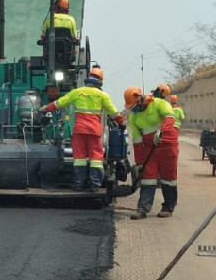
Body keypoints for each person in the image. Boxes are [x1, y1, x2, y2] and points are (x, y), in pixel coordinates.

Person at [40, 67, 123, 192]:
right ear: (100, 80)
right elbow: (114, 112)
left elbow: (59, 103)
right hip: (94, 131)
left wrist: (46, 108)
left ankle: (78, 184)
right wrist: (122, 123)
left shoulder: (77, 92)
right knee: (96, 159)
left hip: (79, 131)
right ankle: (94, 185)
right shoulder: (102, 95)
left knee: (79, 159)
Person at [124, 86, 178, 220]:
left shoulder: (159, 103)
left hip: (167, 145)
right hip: (150, 149)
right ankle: (142, 209)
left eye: (135, 105)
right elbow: (137, 142)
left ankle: (168, 207)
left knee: (168, 178)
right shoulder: (134, 118)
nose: (134, 109)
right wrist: (139, 163)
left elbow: (170, 117)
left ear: (140, 99)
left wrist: (161, 130)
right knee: (148, 178)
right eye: (131, 107)